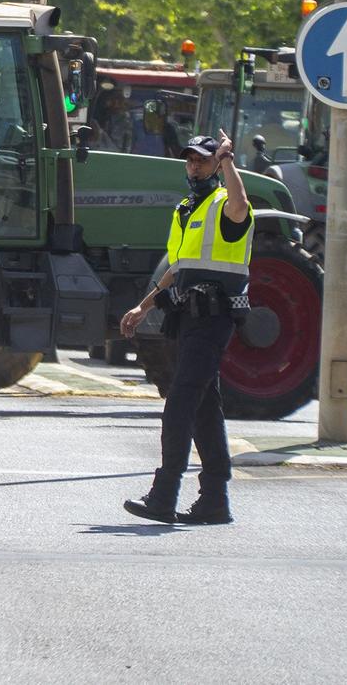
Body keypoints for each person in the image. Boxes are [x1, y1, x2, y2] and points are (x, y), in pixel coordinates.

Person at [118, 130, 251, 525]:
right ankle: (214, 500)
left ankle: (164, 494)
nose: (194, 166)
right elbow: (178, 268)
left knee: (180, 404)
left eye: (203, 160)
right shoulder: (187, 209)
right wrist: (143, 307)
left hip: (214, 319)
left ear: (216, 165)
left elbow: (242, 205)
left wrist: (229, 161)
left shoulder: (226, 204)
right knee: (205, 409)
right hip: (187, 319)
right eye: (190, 160)